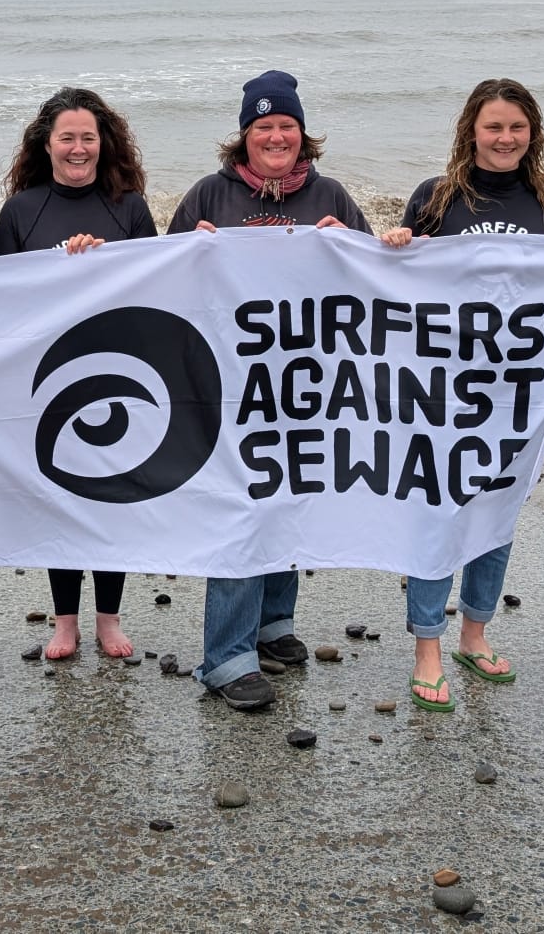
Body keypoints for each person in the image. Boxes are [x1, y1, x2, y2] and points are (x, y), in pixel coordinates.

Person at [168, 69, 372, 710]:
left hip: (305, 383)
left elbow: (379, 281)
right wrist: (187, 250)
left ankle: (273, 625)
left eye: (286, 125)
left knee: (291, 497)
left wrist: (359, 244)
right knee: (240, 509)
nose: (276, 136)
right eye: (264, 126)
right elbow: (161, 283)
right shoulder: (210, 195)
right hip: (230, 387)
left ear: (303, 134)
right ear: (244, 137)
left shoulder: (330, 194)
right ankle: (226, 657)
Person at [380, 78, 544, 711]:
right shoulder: (436, 198)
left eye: (517, 128)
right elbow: (395, 286)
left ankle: (475, 632)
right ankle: (428, 647)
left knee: (498, 509)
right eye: (493, 127)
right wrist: (396, 245)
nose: (505, 138)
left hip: (517, 386)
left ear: (532, 133)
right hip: (440, 386)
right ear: (471, 130)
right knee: (438, 510)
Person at [0, 87, 157, 660]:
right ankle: (65, 622)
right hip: (46, 376)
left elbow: (158, 284)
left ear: (103, 142)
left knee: (112, 497)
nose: (79, 148)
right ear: (48, 142)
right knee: (59, 496)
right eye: (68, 137)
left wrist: (104, 259)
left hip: (120, 369)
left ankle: (108, 618)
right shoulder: (21, 210)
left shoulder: (128, 206)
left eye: (89, 137)